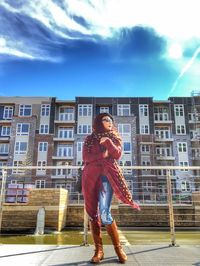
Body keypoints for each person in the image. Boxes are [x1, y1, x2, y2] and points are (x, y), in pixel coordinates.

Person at [82, 113, 140, 264]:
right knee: (93, 214)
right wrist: (103, 155)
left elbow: (117, 154)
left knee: (105, 213)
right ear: (98, 121)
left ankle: (118, 248)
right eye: (105, 119)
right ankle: (98, 251)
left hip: (106, 178)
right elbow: (86, 158)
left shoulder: (114, 137)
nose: (109, 121)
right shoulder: (89, 139)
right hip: (90, 178)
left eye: (110, 120)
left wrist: (108, 142)